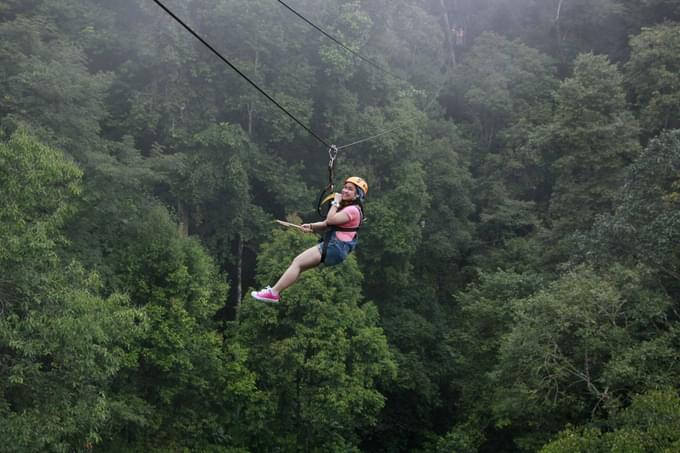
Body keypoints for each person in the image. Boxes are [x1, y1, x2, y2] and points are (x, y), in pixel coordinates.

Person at [251, 176, 368, 303]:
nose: (345, 190)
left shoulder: (352, 210)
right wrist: (312, 226)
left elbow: (330, 220)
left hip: (335, 246)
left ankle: (273, 293)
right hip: (337, 248)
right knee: (299, 266)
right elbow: (326, 224)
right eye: (345, 187)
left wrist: (335, 202)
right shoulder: (352, 209)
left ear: (357, 195)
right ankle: (274, 292)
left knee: (297, 262)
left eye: (350, 189)